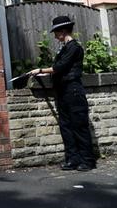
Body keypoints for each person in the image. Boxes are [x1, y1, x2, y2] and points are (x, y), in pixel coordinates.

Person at [29, 16, 96, 172]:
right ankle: (73, 159)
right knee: (66, 126)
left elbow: (60, 67)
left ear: (63, 31)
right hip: (63, 91)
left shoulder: (74, 48)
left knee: (79, 126)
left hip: (73, 91)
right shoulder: (64, 48)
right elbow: (59, 69)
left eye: (56, 32)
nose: (54, 36)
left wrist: (40, 70)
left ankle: (87, 160)